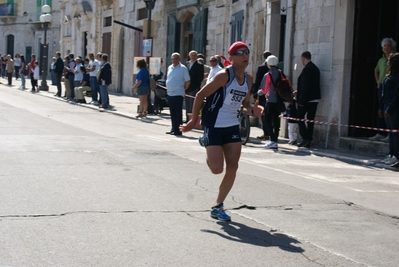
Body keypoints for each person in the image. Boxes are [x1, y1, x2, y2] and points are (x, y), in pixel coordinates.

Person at [180, 42, 263, 221]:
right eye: (240, 53)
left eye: (247, 52)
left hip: (232, 125)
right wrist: (194, 121)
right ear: (231, 57)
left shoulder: (248, 79)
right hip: (213, 124)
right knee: (217, 169)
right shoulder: (223, 76)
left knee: (233, 166)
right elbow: (201, 95)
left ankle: (218, 205)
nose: (245, 56)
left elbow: (244, 105)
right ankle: (206, 141)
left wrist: (253, 111)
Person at [257, 55, 285, 149]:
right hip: (279, 100)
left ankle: (272, 140)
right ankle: (275, 140)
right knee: (276, 121)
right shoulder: (280, 72)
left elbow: (264, 90)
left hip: (271, 100)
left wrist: (258, 92)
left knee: (266, 120)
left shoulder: (268, 74)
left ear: (268, 64)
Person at [371, 38, 396, 142]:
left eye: (388, 45)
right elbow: (375, 71)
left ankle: (390, 134)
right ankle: (380, 132)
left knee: (388, 109)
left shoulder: (394, 59)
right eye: (385, 46)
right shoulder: (381, 60)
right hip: (381, 86)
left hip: (390, 87)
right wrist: (378, 82)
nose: (386, 47)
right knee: (380, 109)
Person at [296, 51, 321, 148]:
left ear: (303, 58)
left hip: (307, 99)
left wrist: (301, 101)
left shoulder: (307, 69)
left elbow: (305, 86)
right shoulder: (315, 68)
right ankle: (309, 139)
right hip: (314, 98)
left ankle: (305, 137)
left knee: (299, 117)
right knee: (310, 120)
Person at [378, 52, 399, 167]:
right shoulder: (389, 75)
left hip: (393, 108)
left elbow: (396, 94)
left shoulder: (397, 77)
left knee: (395, 132)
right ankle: (391, 154)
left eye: (390, 60)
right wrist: (381, 107)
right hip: (385, 104)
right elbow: (383, 93)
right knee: (390, 132)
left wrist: (390, 109)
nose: (388, 62)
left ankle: (397, 155)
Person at [165, 52, 190, 136]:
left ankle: (178, 130)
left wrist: (183, 90)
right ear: (171, 59)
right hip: (170, 93)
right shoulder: (170, 67)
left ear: (179, 59)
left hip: (178, 93)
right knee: (172, 112)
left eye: (176, 58)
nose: (175, 59)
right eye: (173, 58)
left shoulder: (183, 68)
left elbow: (187, 81)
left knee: (178, 113)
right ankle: (173, 128)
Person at [253, 50, 272, 140]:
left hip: (263, 93)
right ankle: (271, 132)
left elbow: (257, 82)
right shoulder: (276, 68)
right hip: (272, 94)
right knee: (271, 113)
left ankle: (266, 132)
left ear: (263, 57)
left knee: (263, 113)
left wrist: (254, 94)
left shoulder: (261, 68)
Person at [185, 50, 204, 122]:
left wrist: (195, 85)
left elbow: (199, 78)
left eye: (194, 55)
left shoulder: (199, 65)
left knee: (192, 103)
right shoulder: (187, 64)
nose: (193, 57)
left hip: (194, 87)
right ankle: (187, 118)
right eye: (192, 55)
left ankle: (192, 119)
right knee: (187, 103)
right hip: (187, 87)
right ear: (189, 56)